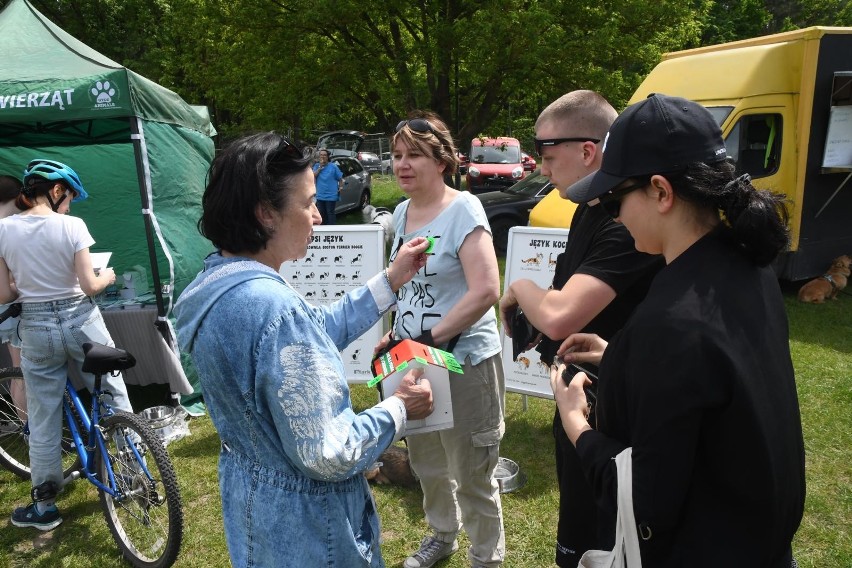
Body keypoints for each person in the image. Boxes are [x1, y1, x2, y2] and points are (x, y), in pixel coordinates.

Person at [551, 93, 805, 566]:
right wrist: (620, 359)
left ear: (661, 192)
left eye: (613, 202)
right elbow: (721, 380)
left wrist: (575, 423)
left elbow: (644, 501)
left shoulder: (669, 321)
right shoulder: (749, 267)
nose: (616, 217)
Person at [173, 132, 435, 568]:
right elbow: (329, 453)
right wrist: (399, 409)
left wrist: (390, 280)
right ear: (265, 214)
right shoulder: (272, 307)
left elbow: (312, 334)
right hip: (313, 533)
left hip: (257, 508)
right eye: (308, 202)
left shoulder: (216, 283)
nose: (317, 215)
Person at [497, 90, 663, 567]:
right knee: (576, 533)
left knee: (610, 540)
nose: (542, 170)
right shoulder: (590, 208)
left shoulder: (626, 219)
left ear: (588, 150)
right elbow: (565, 294)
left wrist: (519, 290)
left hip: (619, 411)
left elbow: (562, 312)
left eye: (548, 158)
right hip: (580, 391)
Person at [383, 112, 505, 568]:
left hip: (463, 360)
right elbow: (407, 287)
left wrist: (429, 340)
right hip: (412, 360)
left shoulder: (464, 209)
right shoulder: (400, 213)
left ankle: (485, 558)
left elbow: (486, 290)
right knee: (428, 462)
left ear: (443, 161)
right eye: (397, 155)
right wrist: (394, 339)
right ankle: (442, 534)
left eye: (415, 154)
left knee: (472, 468)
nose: (402, 164)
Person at [0, 159, 130, 531]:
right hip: (82, 320)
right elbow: (89, 285)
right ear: (56, 191)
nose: (71, 205)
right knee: (113, 395)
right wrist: (107, 276)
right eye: (70, 196)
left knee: (42, 418)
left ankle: (44, 508)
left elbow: (4, 292)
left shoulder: (3, 231)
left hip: (36, 327)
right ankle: (132, 471)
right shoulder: (72, 226)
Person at [0, 175, 24, 418]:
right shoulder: (6, 229)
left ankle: (28, 429)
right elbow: (6, 286)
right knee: (22, 372)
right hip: (12, 307)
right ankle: (29, 430)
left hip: (6, 309)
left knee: (18, 370)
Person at [312, 147, 343, 224]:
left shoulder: (333, 166)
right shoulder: (316, 166)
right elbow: (313, 176)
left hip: (331, 195)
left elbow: (340, 178)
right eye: (321, 155)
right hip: (320, 195)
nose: (323, 156)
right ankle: (323, 231)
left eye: (325, 155)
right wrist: (320, 168)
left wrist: (341, 187)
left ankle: (332, 230)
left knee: (330, 213)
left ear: (327, 157)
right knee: (321, 213)